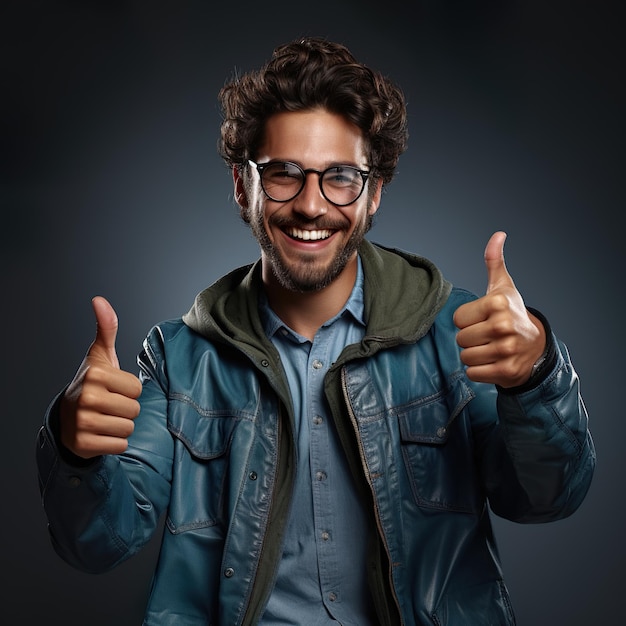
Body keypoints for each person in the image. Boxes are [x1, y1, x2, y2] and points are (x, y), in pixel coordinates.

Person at [36, 37, 595, 625]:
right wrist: (75, 452)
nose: (311, 204)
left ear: (373, 191)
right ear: (240, 185)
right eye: (284, 173)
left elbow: (546, 499)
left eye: (341, 177)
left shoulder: (456, 333)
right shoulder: (177, 358)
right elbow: (96, 544)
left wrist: (534, 377)